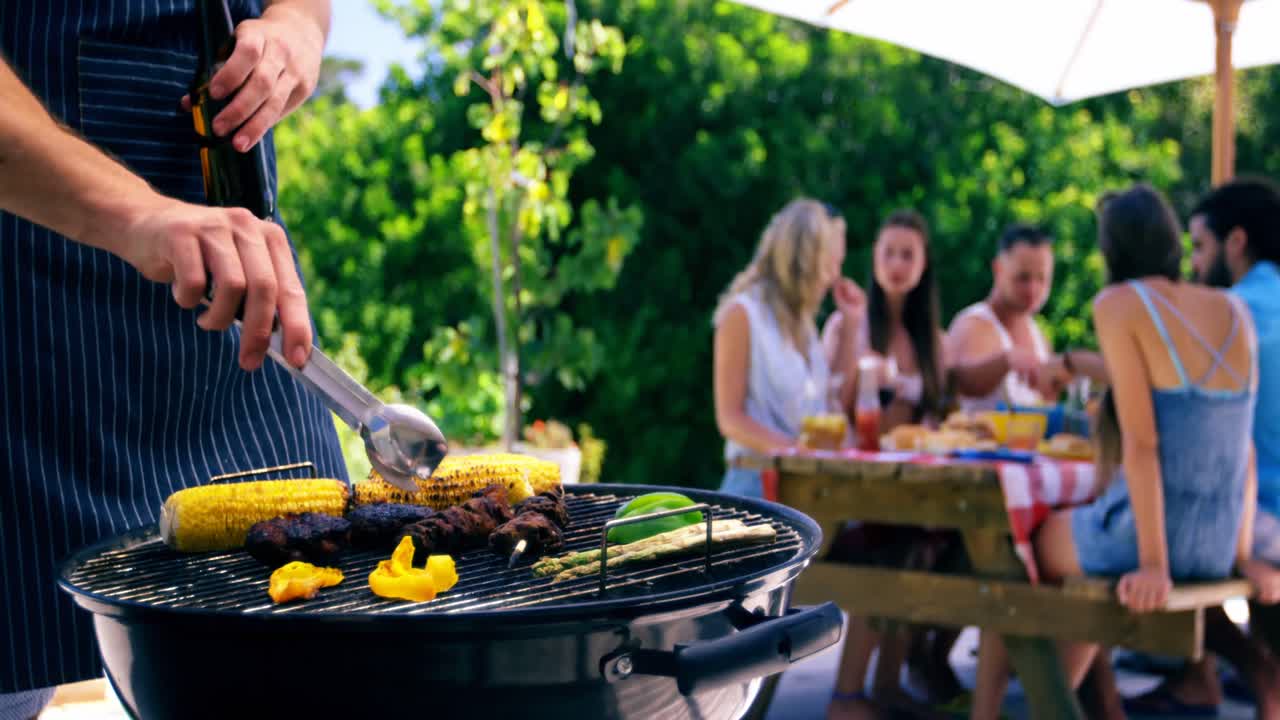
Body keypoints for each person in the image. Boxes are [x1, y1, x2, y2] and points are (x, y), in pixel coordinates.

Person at [0, 2, 345, 717]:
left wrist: (296, 31)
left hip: (237, 291)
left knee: (322, 647)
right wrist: (138, 216)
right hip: (26, 317)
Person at [970, 184, 1266, 720]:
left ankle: (998, 714)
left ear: (1111, 248)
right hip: (1218, 544)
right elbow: (1239, 453)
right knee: (1085, 579)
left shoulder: (1121, 304)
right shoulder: (1235, 313)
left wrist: (1153, 564)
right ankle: (1058, 709)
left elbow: (1143, 443)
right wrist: (1241, 556)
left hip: (1152, 545)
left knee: (1014, 552)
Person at [1122, 176, 1280, 718]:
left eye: (1201, 247)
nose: (1192, 264)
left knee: (1160, 533)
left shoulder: (1230, 314)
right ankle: (1200, 678)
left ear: (1236, 242)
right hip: (1258, 506)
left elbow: (1151, 399)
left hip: (1268, 519)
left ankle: (1251, 670)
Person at [713, 198, 864, 499]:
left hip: (805, 489)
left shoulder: (803, 325)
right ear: (805, 260)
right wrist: (797, 452)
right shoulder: (742, 313)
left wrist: (851, 325)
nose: (836, 275)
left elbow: (830, 401)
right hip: (754, 487)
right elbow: (730, 419)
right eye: (831, 263)